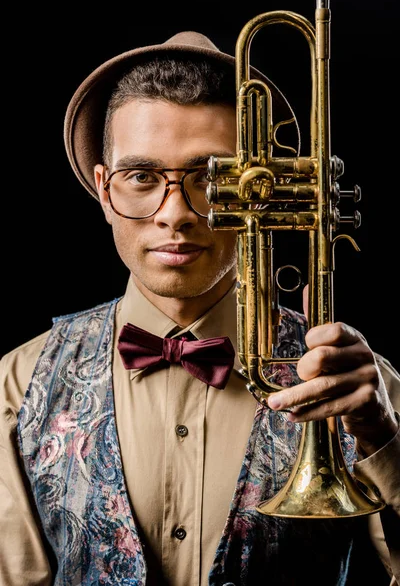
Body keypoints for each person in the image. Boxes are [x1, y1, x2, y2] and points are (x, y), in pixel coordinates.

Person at [0, 30, 399, 586]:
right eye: (141, 177)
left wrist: (382, 437)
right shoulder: (18, 383)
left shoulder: (358, 384)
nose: (176, 214)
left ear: (267, 191)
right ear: (103, 190)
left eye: (213, 178)